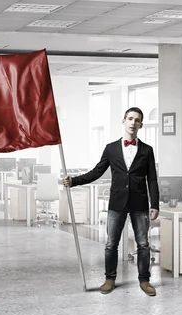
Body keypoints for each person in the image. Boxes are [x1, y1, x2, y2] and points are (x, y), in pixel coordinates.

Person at [63, 107, 159, 296]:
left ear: (141, 124)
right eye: (130, 118)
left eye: (137, 120)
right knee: (111, 244)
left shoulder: (147, 150)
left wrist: (155, 204)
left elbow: (152, 179)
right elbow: (97, 172)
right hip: (117, 203)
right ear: (123, 121)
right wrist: (74, 181)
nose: (133, 122)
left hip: (139, 204)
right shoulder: (111, 148)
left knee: (143, 244)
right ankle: (109, 279)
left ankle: (145, 280)